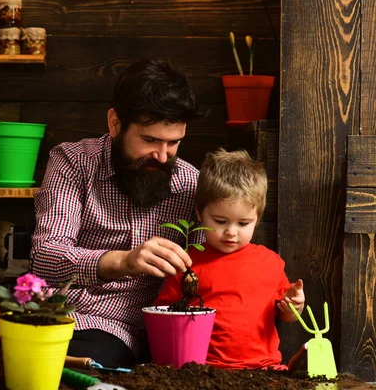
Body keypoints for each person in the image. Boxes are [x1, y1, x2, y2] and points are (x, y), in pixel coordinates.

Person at [30, 58, 206, 368]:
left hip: (136, 332)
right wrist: (122, 261)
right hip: (59, 317)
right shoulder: (74, 163)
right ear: (115, 123)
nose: (163, 156)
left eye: (174, 143)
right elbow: (45, 257)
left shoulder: (191, 185)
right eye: (149, 140)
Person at [154, 148, 305, 370]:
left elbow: (289, 318)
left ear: (257, 218)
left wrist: (294, 306)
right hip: (200, 368)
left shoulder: (269, 263)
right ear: (199, 213)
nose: (231, 232)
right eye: (220, 221)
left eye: (243, 223)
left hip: (262, 368)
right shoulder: (186, 263)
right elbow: (165, 318)